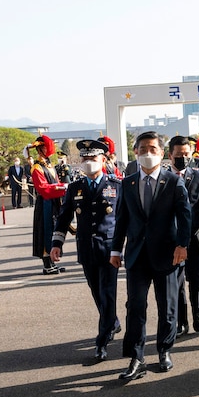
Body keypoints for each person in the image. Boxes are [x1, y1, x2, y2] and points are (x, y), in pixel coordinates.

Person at [109, 131, 191, 380]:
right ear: (135, 152)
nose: (147, 153)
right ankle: (136, 357)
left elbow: (185, 216)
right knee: (135, 306)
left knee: (167, 306)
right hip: (136, 255)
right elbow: (121, 219)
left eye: (152, 149)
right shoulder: (128, 183)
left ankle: (164, 350)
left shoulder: (173, 181)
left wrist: (182, 245)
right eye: (143, 149)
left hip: (167, 255)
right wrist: (115, 249)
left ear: (162, 153)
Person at [50, 139, 122, 360]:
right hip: (86, 249)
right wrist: (56, 243)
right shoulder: (75, 188)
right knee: (96, 292)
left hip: (110, 249)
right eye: (85, 158)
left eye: (93, 158)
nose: (89, 161)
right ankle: (112, 322)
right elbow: (64, 218)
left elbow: (126, 218)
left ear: (103, 159)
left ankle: (102, 340)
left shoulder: (116, 185)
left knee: (107, 293)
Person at [168, 136, 199, 336]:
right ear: (170, 155)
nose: (183, 157)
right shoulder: (163, 178)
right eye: (178, 155)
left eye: (186, 154)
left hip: (195, 237)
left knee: (196, 279)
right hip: (171, 239)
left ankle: (198, 314)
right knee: (176, 282)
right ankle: (182, 321)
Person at [27, 136, 68, 275]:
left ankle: (51, 261)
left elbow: (55, 181)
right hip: (46, 203)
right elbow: (43, 188)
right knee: (46, 231)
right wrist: (61, 188)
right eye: (44, 147)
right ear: (39, 149)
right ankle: (46, 264)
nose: (47, 149)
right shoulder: (37, 167)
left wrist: (61, 187)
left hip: (54, 201)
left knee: (54, 230)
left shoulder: (49, 166)